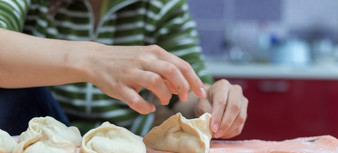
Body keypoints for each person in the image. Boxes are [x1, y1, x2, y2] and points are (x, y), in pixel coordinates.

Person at [0, 0, 248, 139]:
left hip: (128, 145)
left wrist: (208, 101)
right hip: (37, 137)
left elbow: (185, 90)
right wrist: (92, 60)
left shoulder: (160, 6)